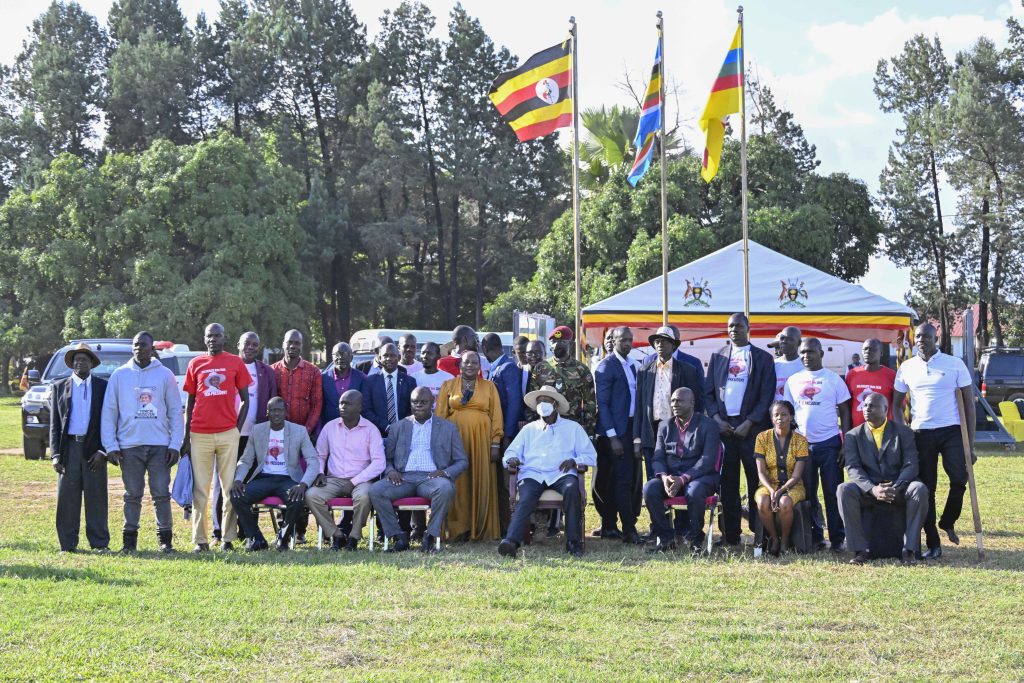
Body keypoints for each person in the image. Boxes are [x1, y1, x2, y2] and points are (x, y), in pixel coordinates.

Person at [892, 323, 975, 560]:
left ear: (935, 337)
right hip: (921, 432)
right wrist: (903, 432)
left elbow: (969, 405)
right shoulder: (906, 367)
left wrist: (971, 442)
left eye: (926, 337)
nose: (921, 340)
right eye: (918, 336)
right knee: (927, 488)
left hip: (951, 431)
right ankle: (934, 543)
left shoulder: (954, 364)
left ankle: (947, 521)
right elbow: (896, 405)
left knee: (959, 478)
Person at [101, 332, 183, 553]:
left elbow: (176, 411)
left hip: (160, 446)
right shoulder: (119, 375)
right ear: (132, 348)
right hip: (129, 446)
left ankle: (165, 542)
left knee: (161, 494)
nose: (139, 349)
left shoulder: (165, 375)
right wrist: (110, 446)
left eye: (144, 345)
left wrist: (175, 444)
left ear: (151, 348)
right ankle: (129, 543)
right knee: (132, 495)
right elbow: (109, 412)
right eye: (136, 345)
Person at [499, 386, 597, 558]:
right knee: (527, 496)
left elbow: (590, 455)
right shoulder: (529, 429)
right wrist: (511, 460)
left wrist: (575, 461)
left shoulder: (572, 428)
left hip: (561, 474)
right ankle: (511, 542)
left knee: (572, 489)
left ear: (555, 404)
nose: (542, 404)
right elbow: (510, 453)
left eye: (546, 400)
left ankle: (573, 541)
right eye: (539, 401)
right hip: (533, 473)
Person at [704, 313, 776, 547]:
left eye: (738, 326)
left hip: (752, 431)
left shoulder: (763, 358)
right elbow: (709, 393)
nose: (734, 330)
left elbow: (767, 394)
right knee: (727, 484)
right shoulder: (718, 357)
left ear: (748, 328)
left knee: (757, 482)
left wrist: (750, 422)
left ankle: (760, 536)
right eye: (730, 326)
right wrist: (716, 419)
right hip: (724, 430)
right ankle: (730, 535)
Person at [370, 386, 469, 552]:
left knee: (445, 488)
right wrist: (391, 471)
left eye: (423, 402)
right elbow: (386, 458)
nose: (418, 405)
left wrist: (444, 473)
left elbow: (462, 461)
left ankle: (430, 535)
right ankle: (398, 536)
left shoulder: (448, 428)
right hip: (403, 478)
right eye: (415, 402)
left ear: (432, 402)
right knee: (375, 491)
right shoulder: (398, 427)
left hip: (431, 478)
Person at [182, 323, 251, 553]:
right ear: (204, 339)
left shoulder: (235, 362)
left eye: (217, 336)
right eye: (209, 336)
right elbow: (190, 403)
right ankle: (200, 541)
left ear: (224, 338)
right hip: (199, 434)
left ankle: (228, 538)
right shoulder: (196, 364)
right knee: (200, 489)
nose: (213, 339)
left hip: (227, 434)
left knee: (229, 488)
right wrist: (185, 436)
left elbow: (245, 400)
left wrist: (236, 429)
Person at [633, 326, 706, 539]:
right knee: (655, 479)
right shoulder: (644, 371)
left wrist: (695, 431)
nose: (660, 344)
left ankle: (683, 527)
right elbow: (639, 405)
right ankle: (660, 529)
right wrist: (637, 437)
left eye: (664, 341)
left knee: (679, 473)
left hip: (678, 430)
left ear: (674, 345)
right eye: (656, 341)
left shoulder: (687, 370)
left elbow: (698, 402)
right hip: (651, 430)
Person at [838, 392, 927, 565]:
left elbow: (911, 464)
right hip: (869, 490)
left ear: (886, 409)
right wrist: (873, 489)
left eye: (872, 406)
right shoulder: (852, 436)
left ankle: (909, 550)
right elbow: (853, 468)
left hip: (898, 488)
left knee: (919, 489)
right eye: (865, 405)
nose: (867, 409)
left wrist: (897, 486)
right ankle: (860, 550)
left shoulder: (903, 432)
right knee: (844, 489)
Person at [784, 337, 852, 551]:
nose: (806, 356)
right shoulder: (793, 380)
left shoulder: (834, 379)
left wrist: (845, 443)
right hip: (803, 447)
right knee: (809, 494)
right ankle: (815, 536)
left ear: (821, 354)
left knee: (833, 492)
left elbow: (845, 412)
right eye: (803, 352)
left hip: (830, 444)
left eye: (811, 352)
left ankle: (838, 538)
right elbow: (788, 414)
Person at [211, 330, 277, 544]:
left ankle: (247, 531)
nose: (250, 347)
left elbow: (272, 401)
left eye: (255, 345)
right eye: (247, 343)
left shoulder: (266, 372)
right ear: (238, 344)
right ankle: (219, 531)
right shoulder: (227, 365)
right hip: (228, 434)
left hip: (255, 436)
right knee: (224, 484)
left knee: (250, 484)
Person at [230, 397, 318, 551]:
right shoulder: (257, 430)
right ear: (267, 413)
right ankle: (256, 538)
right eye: (272, 410)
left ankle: (283, 538)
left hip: (288, 479)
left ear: (286, 413)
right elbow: (245, 460)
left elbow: (313, 460)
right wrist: (238, 479)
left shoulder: (299, 431)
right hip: (264, 477)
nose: (276, 414)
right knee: (237, 495)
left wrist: (303, 485)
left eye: (280, 410)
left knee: (297, 499)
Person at [435, 351, 504, 541]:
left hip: (482, 441)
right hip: (455, 441)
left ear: (480, 366)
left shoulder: (489, 387)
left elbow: (496, 415)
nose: (471, 366)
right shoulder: (448, 386)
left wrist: (495, 443)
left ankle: (480, 527)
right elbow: (440, 416)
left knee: (480, 478)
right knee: (458, 481)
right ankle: (459, 529)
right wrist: (441, 445)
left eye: (475, 362)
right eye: (467, 362)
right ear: (460, 365)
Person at [643, 388, 721, 553]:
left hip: (699, 477)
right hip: (671, 477)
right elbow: (657, 458)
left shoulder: (708, 425)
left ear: (692, 402)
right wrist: (664, 478)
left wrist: (684, 479)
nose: (674, 404)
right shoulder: (665, 426)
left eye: (679, 400)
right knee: (650, 489)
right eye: (672, 401)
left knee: (695, 491)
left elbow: (707, 461)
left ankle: (695, 539)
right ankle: (666, 539)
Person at [306, 390, 385, 550]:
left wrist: (353, 481)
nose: (342, 406)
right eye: (341, 403)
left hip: (360, 480)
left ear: (359, 407)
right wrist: (320, 472)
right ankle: (336, 535)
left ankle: (354, 537)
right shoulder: (330, 427)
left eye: (347, 404)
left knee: (364, 497)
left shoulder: (371, 429)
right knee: (311, 495)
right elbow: (320, 455)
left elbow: (379, 463)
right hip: (333, 479)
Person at [50, 343, 110, 553]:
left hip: (94, 450)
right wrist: (55, 454)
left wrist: (103, 451)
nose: (79, 362)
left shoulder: (103, 387)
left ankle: (99, 543)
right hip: (69, 450)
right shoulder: (59, 386)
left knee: (97, 497)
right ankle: (67, 545)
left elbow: (109, 421)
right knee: (67, 498)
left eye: (84, 359)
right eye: (76, 359)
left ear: (91, 363)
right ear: (71, 363)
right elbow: (55, 424)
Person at [271, 329, 322, 543]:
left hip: (304, 436)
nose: (293, 346)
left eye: (297, 343)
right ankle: (285, 527)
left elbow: (317, 403)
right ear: (283, 344)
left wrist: (306, 431)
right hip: (279, 436)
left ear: (302, 346)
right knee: (284, 478)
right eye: (289, 342)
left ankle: (300, 529)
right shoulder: (273, 370)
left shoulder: (312, 371)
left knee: (302, 480)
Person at [593, 326, 642, 545]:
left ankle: (614, 526)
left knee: (628, 480)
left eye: (630, 339)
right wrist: (612, 436)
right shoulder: (606, 367)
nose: (627, 343)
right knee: (620, 481)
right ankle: (629, 530)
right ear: (613, 340)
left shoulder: (634, 364)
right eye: (623, 339)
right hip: (616, 431)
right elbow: (602, 404)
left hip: (632, 428)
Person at [752, 400, 808, 557]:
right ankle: (774, 539)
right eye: (776, 415)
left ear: (791, 417)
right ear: (771, 418)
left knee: (784, 502)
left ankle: (785, 541)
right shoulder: (762, 438)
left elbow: (797, 475)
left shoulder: (800, 440)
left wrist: (781, 491)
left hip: (793, 485)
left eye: (784, 415)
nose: (780, 418)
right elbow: (761, 472)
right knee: (762, 502)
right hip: (768, 484)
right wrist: (771, 491)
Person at [529, 326, 597, 435]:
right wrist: (533, 423)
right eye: (553, 342)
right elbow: (533, 400)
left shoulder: (581, 370)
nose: (556, 345)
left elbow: (590, 403)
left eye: (561, 342)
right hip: (545, 426)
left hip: (573, 425)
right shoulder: (541, 368)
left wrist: (589, 429)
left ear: (569, 344)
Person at [362, 342, 418, 436]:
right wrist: (386, 426)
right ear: (380, 358)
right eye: (385, 355)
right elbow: (366, 410)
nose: (389, 359)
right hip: (377, 433)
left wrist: (401, 426)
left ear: (398, 357)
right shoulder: (369, 382)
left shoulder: (409, 381)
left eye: (392, 355)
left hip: (403, 432)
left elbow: (413, 408)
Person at [846, 338, 896, 428]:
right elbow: (847, 407)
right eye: (865, 349)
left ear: (881, 353)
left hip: (883, 432)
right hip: (857, 433)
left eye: (872, 349)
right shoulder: (852, 374)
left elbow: (898, 407)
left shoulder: (891, 376)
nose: (868, 352)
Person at [321, 342, 366, 425]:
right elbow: (319, 406)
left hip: (354, 428)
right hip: (329, 428)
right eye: (337, 354)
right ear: (332, 357)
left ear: (351, 357)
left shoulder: (361, 378)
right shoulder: (323, 378)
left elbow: (365, 406)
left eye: (344, 354)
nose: (340, 357)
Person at [773, 326, 803, 400]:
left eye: (790, 339)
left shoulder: (805, 365)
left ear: (799, 343)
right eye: (782, 338)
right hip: (776, 410)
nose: (784, 341)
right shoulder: (772, 365)